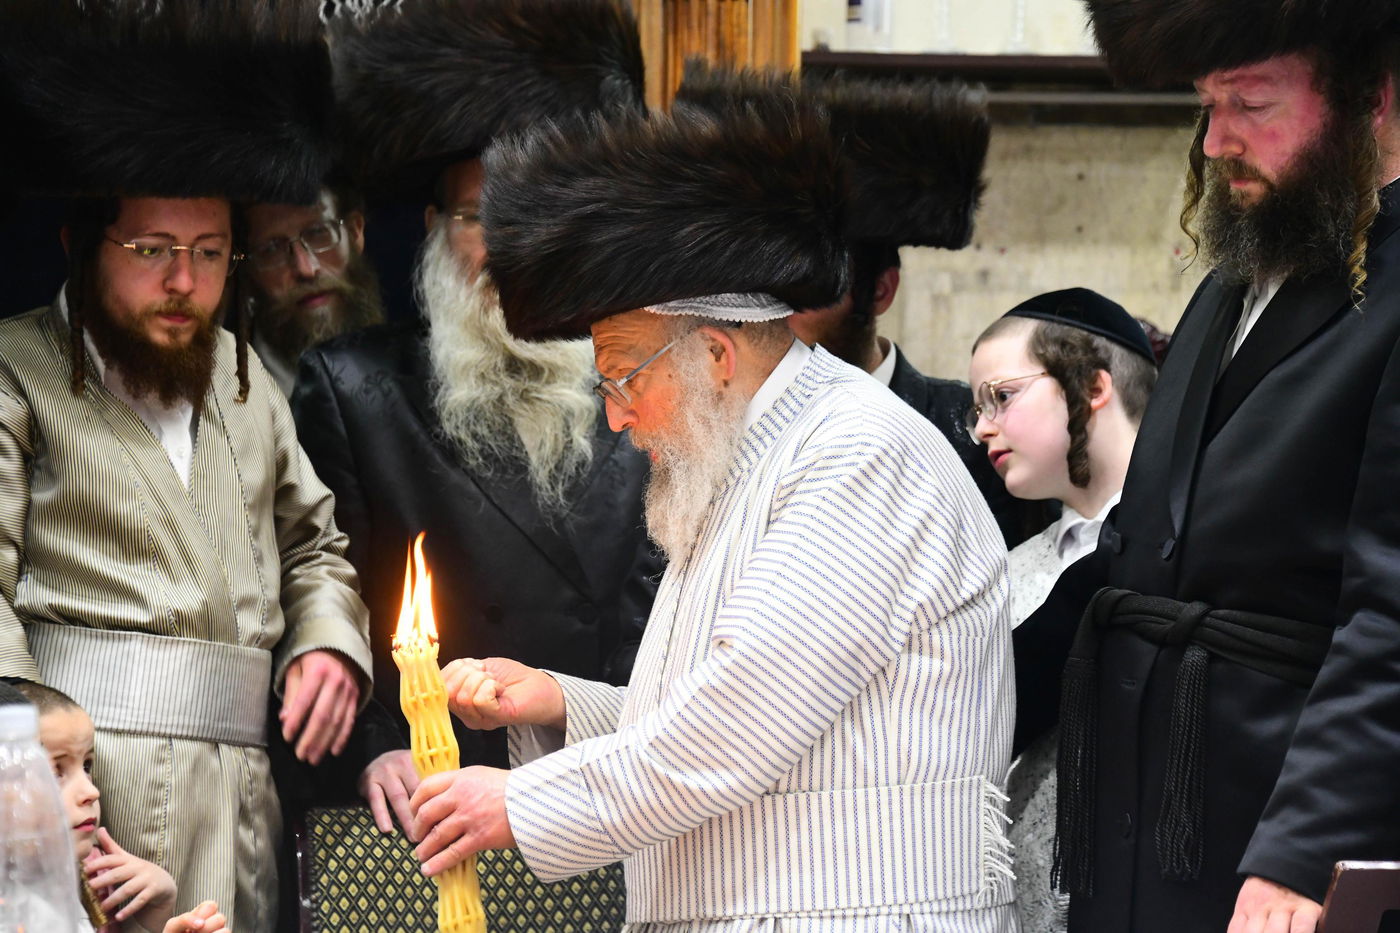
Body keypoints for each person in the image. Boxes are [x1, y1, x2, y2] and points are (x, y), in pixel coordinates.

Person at [407, 95, 1017, 931]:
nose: (615, 415)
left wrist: (519, 801)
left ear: (716, 355)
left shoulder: (855, 453)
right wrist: (558, 702)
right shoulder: (742, 458)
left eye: (623, 377)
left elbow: (735, 730)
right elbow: (742, 721)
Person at [1021, 2, 1400, 930]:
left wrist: (1305, 850)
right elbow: (1139, 548)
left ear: (1373, 97)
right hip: (1145, 828)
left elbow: (1392, 614)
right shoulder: (1237, 279)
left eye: (1252, 104)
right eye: (1207, 104)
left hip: (1281, 833)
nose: (1217, 139)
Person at [0, 4, 372, 928]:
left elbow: (314, 547)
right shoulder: (16, 370)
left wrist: (327, 639)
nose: (184, 282)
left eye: (209, 254)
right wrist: (35, 778)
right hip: (87, 788)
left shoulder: (248, 383)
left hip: (242, 789)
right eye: (152, 251)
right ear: (78, 247)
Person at [294, 0, 659, 771]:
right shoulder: (353, 387)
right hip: (438, 778)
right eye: (478, 216)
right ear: (434, 225)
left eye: (532, 214)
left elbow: (660, 604)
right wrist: (376, 750)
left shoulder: (647, 379)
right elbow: (329, 593)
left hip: (613, 772)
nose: (508, 246)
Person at [674, 65, 1035, 546]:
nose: (778, 316)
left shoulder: (970, 434)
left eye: (807, 293)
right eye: (767, 293)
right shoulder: (727, 436)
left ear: (881, 291)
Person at [966, 289, 1157, 933]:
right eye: (976, 408)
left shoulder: (1194, 550)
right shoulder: (1004, 573)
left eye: (1002, 396)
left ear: (1093, 385)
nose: (983, 427)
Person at [12, 682, 230, 933]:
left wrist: (157, 913)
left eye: (87, 766)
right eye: (54, 772)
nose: (91, 792)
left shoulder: (93, 875)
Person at [237, 182, 386, 396]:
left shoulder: (417, 363)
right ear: (248, 270)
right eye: (271, 249)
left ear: (355, 232)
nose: (305, 269)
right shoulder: (236, 404)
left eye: (318, 232)